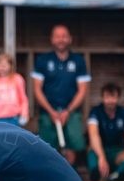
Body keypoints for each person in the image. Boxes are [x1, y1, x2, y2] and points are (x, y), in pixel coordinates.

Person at [32, 25, 91, 165]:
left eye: (64, 36)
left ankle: (69, 173)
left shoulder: (78, 61)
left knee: (72, 147)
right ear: (52, 39)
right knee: (47, 148)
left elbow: (82, 90)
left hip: (71, 111)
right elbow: (37, 89)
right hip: (48, 112)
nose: (61, 39)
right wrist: (51, 111)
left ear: (70, 39)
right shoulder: (42, 60)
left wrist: (68, 111)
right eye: (57, 36)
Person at [87, 82, 124, 181]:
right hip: (100, 149)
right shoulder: (95, 111)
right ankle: (98, 174)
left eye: (113, 97)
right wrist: (101, 157)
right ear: (102, 97)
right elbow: (93, 135)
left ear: (118, 98)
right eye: (107, 97)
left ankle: (116, 175)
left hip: (117, 151)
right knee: (92, 153)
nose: (110, 101)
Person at [0, 53, 29, 126]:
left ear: (10, 66)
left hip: (14, 117)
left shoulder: (17, 79)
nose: (2, 68)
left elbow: (23, 99)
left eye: (4, 65)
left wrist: (24, 114)